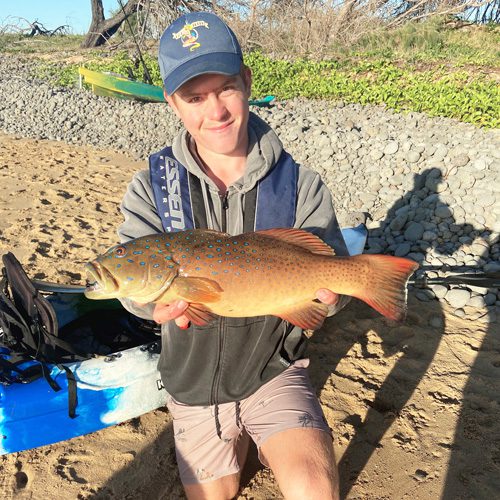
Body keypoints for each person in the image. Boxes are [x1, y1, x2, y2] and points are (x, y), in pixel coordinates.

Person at [117, 11, 349, 500]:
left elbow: (330, 279)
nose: (215, 110)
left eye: (225, 88)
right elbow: (135, 284)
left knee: (315, 489)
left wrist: (327, 301)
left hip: (275, 369)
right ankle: (229, 439)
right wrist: (146, 306)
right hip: (193, 380)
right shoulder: (149, 188)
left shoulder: (301, 184)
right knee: (212, 494)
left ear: (246, 82)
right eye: (195, 97)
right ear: (172, 102)